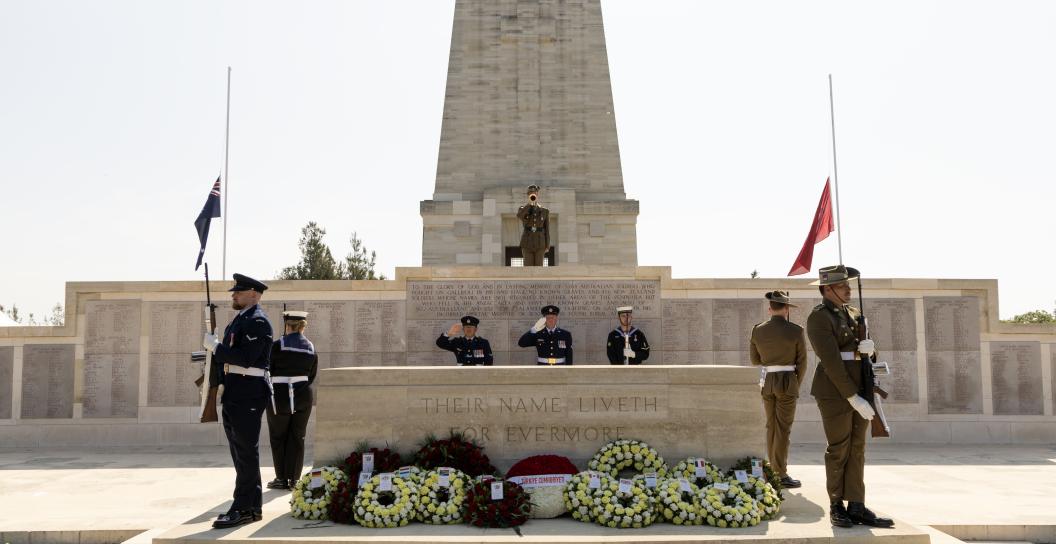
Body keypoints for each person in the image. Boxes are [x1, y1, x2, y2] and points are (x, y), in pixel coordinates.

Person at [807, 265, 894, 529]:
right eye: (842, 285)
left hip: (861, 385)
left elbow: (867, 350)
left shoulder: (855, 313)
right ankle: (836, 505)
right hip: (835, 392)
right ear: (827, 289)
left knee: (857, 447)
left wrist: (872, 349)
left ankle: (856, 504)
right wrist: (851, 397)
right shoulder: (819, 317)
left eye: (848, 284)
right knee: (839, 448)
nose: (848, 289)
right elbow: (832, 362)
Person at [202, 273, 273, 529]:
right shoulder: (240, 321)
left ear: (254, 294)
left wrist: (216, 348)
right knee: (240, 452)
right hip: (235, 391)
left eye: (239, 292)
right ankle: (252, 507)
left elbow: (245, 358)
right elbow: (229, 361)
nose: (234, 295)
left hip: (249, 392)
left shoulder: (258, 322)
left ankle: (241, 507)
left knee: (245, 452)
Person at [749, 290, 806, 489]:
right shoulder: (796, 330)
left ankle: (772, 468)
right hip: (787, 382)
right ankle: (779, 474)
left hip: (768, 383)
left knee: (771, 426)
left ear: (770, 308)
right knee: (783, 429)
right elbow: (802, 363)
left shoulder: (758, 330)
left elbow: (755, 360)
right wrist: (795, 385)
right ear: (787, 308)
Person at [265, 310, 318, 491]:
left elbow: (268, 369)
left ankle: (281, 478)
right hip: (303, 394)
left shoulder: (277, 345)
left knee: (278, 436)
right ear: (302, 327)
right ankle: (294, 479)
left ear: (288, 326)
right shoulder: (311, 347)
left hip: (279, 396)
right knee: (297, 436)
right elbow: (311, 375)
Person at [516, 184, 550, 266]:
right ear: (528, 195)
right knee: (528, 268)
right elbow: (520, 216)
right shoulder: (523, 209)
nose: (532, 194)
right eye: (530, 193)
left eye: (534, 193)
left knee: (539, 267)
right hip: (527, 242)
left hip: (540, 242)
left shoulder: (544, 211)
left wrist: (547, 245)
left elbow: (547, 229)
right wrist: (529, 204)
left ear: (537, 195)